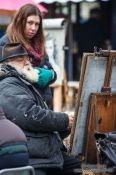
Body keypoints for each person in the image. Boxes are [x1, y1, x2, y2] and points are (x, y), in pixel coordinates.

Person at [0, 43, 81, 175]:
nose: (27, 62)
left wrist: (66, 126)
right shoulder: (8, 85)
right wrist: (65, 120)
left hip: (48, 155)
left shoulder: (23, 82)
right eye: (21, 60)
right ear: (8, 64)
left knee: (85, 168)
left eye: (27, 58)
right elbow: (31, 116)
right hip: (35, 158)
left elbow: (41, 125)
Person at [0, 3, 56, 109]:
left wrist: (51, 75)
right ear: (20, 21)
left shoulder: (38, 43)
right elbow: (4, 74)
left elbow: (50, 69)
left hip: (43, 104)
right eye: (30, 23)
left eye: (37, 24)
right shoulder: (6, 43)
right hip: (20, 105)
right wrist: (32, 75)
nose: (33, 28)